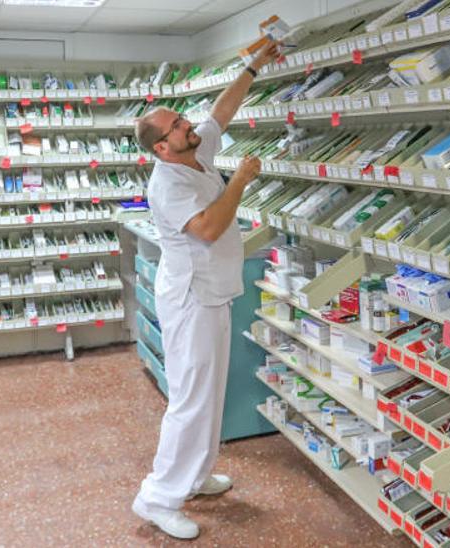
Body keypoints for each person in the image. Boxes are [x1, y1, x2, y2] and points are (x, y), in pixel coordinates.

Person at [130, 39, 281, 540]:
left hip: (213, 292)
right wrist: (239, 181)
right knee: (190, 399)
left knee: (209, 394)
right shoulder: (167, 185)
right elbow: (210, 228)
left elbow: (223, 109)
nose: (187, 125)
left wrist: (253, 66)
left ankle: (193, 476)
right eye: (176, 126)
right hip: (191, 298)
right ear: (161, 147)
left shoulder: (196, 152)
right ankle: (157, 498)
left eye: (181, 120)